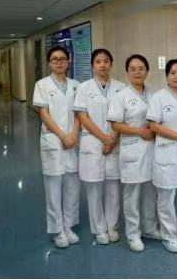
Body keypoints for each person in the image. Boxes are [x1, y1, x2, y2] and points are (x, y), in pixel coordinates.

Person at [107, 54, 162, 252]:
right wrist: (140, 131)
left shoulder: (153, 94)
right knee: (132, 195)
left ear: (147, 71)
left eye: (141, 68)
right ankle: (133, 234)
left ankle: (149, 228)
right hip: (132, 149)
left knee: (150, 192)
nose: (137, 72)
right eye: (133, 69)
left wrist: (153, 131)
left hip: (151, 149)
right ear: (127, 72)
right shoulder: (121, 96)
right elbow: (115, 124)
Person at [73, 49, 126, 245]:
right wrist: (104, 138)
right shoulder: (84, 88)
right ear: (92, 65)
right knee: (94, 189)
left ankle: (112, 226)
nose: (102, 65)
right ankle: (99, 229)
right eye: (98, 61)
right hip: (93, 143)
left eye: (106, 61)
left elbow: (123, 117)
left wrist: (113, 139)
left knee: (113, 189)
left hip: (114, 142)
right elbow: (83, 117)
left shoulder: (121, 88)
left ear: (111, 63)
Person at [33, 45, 81, 248]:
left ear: (68, 62)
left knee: (72, 185)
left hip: (72, 140)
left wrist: (73, 134)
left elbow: (80, 114)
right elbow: (44, 114)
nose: (59, 62)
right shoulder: (42, 84)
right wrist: (63, 136)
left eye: (62, 59)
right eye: (55, 59)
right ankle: (57, 229)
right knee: (53, 187)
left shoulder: (76, 85)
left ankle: (68, 225)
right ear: (49, 63)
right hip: (53, 139)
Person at [147, 59, 177, 253]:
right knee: (166, 198)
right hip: (167, 152)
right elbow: (153, 125)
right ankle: (169, 236)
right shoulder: (158, 97)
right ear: (166, 76)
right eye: (173, 73)